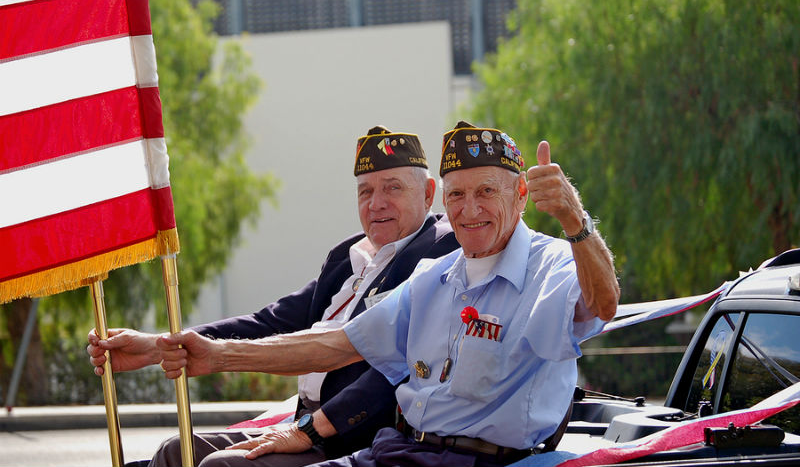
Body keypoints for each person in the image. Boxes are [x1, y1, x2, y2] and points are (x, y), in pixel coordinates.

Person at [128, 120, 620, 467]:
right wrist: (213, 354)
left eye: (487, 192)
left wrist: (575, 220)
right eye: (458, 195)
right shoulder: (435, 274)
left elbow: (602, 305)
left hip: (471, 458)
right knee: (182, 456)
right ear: (443, 200)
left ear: (521, 196)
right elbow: (333, 342)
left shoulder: (551, 262)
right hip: (399, 449)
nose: (469, 210)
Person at [87, 126, 460, 467]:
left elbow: (392, 368)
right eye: (365, 191)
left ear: (428, 194)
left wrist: (308, 431)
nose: (376, 203)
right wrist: (158, 345)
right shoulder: (349, 258)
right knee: (173, 452)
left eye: (392, 188)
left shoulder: (439, 253)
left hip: (355, 437)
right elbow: (269, 323)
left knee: (220, 466)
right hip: (304, 422)